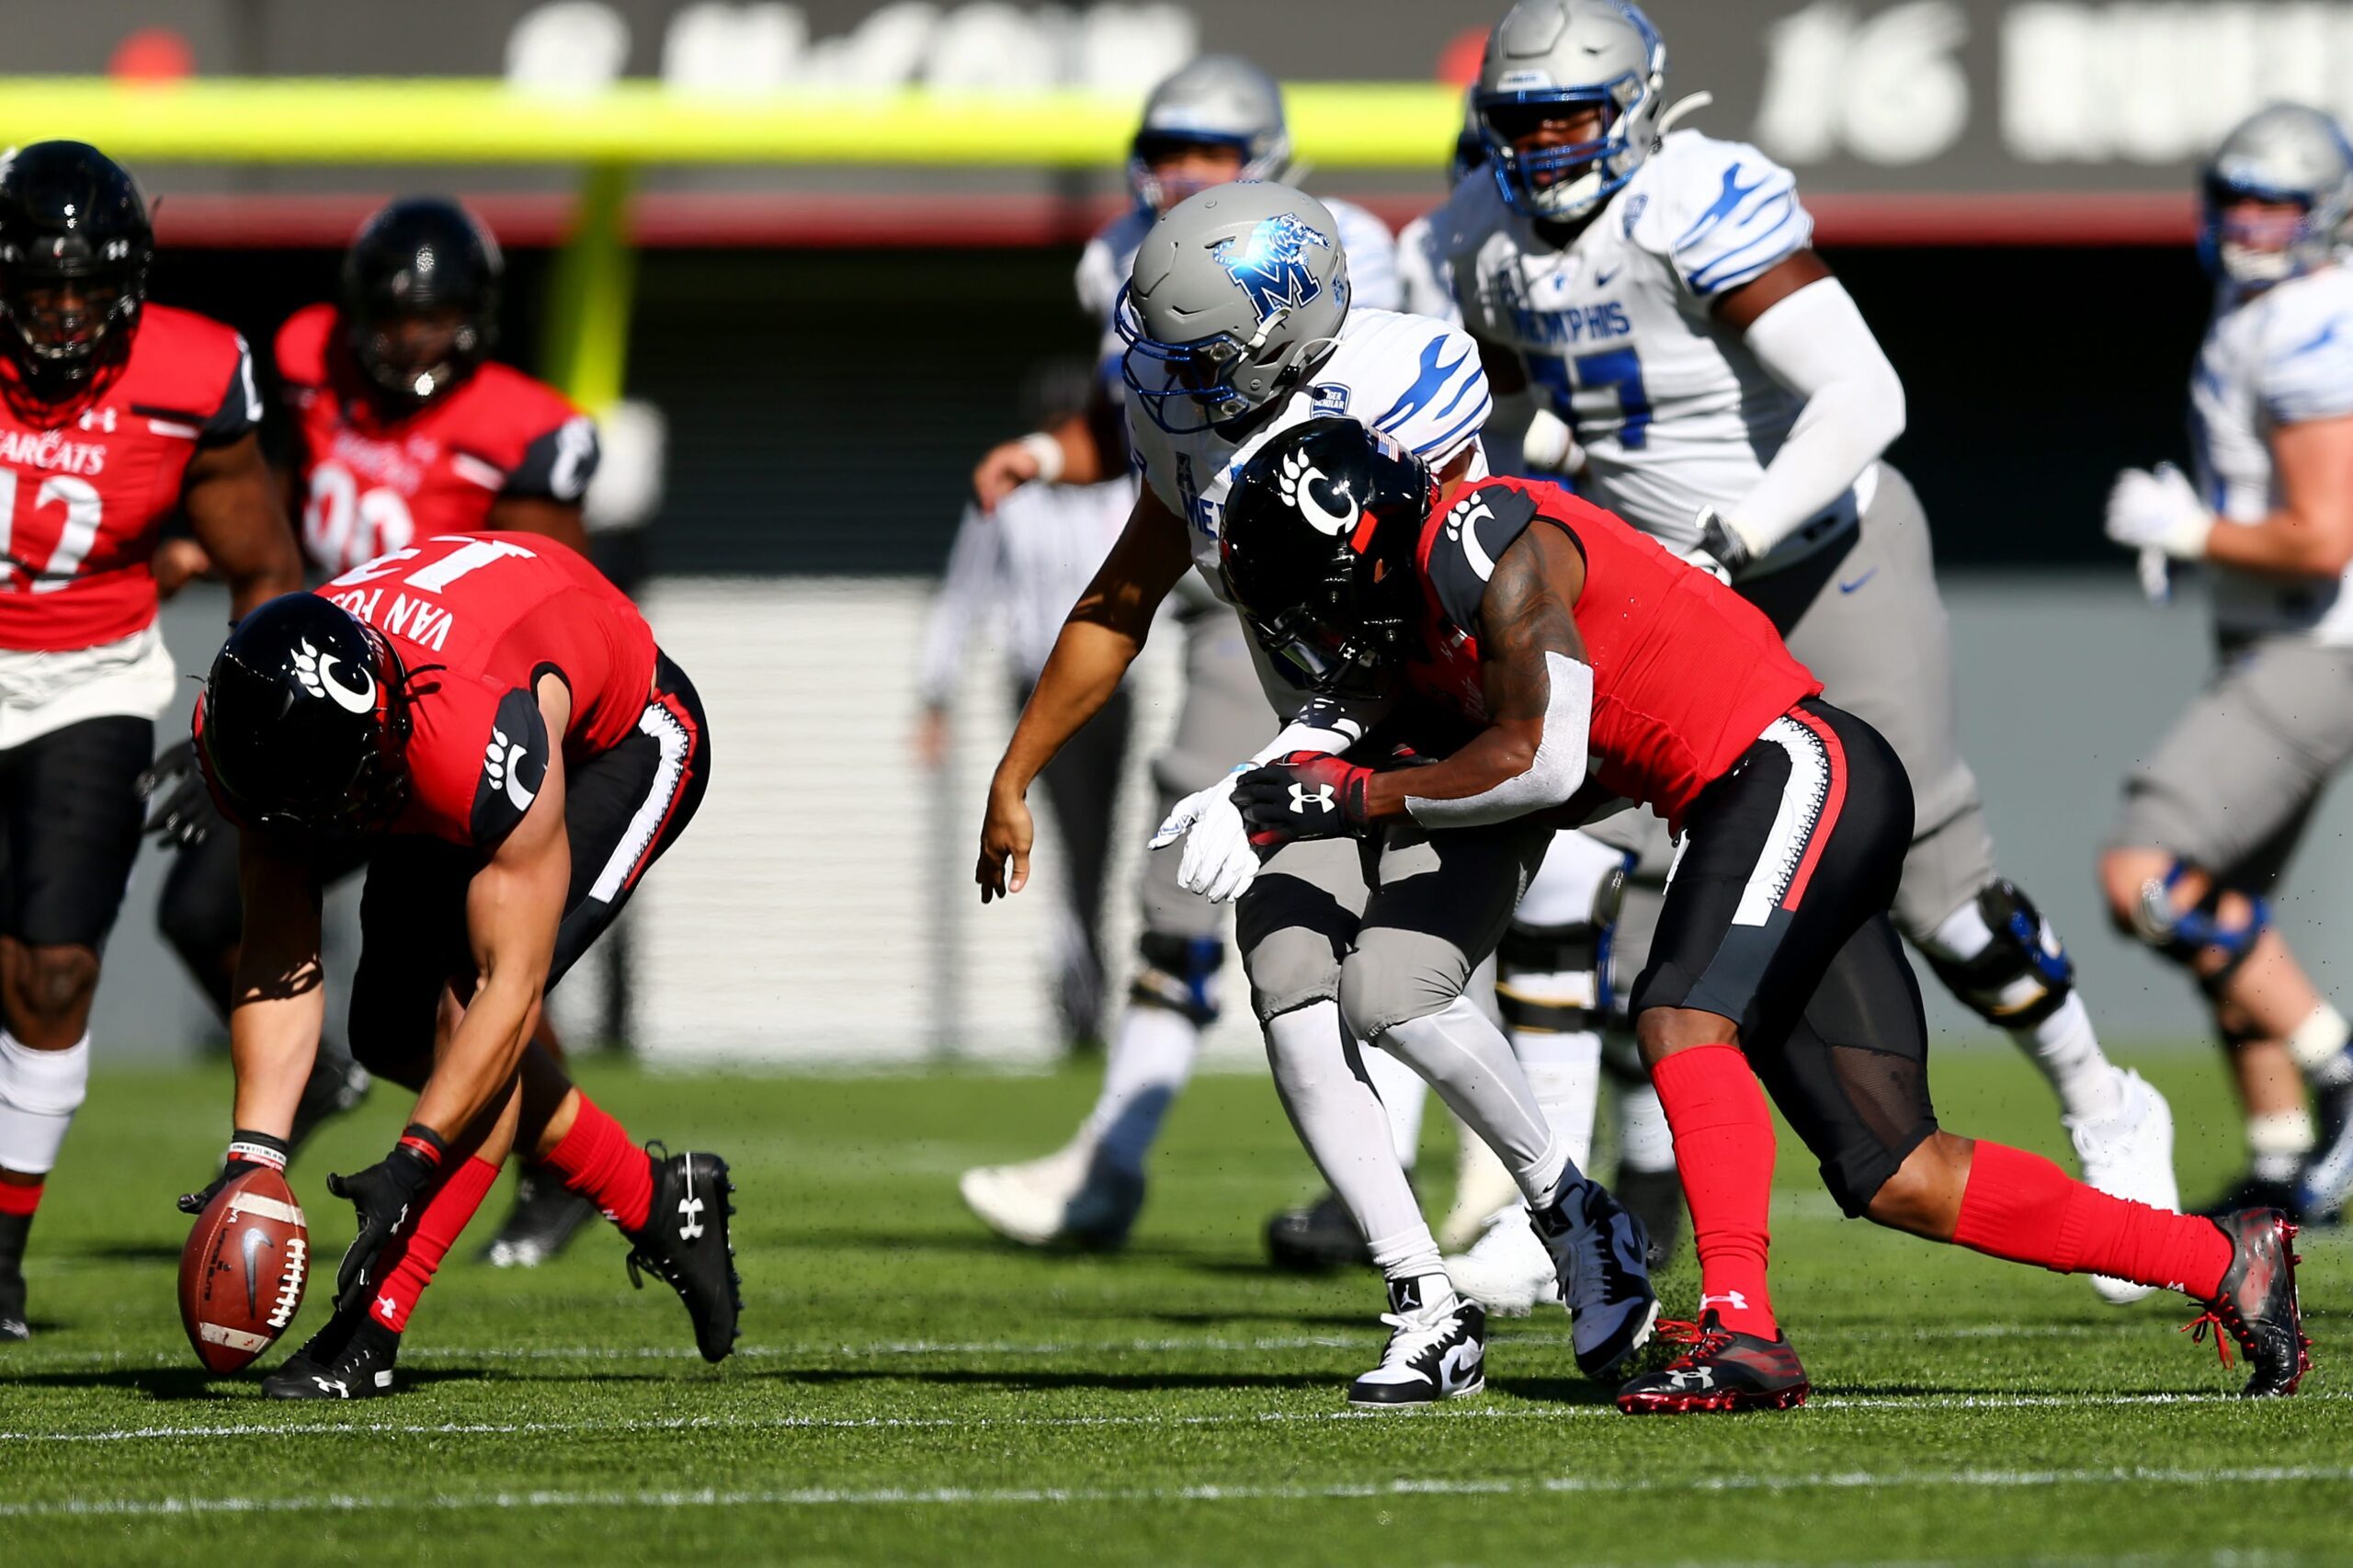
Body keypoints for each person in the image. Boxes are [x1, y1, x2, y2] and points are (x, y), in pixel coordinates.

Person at [1219, 415, 2311, 1412]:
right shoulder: (1429, 599)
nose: (1312, 626)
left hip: (1789, 762)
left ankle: (1740, 1328)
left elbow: (1541, 760)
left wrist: (1355, 792)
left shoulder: (1481, 539)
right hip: (1762, 790)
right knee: (1896, 1170)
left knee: (1679, 1017)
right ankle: (2224, 1260)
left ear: (1358, 545)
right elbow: (1577, 757)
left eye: (1311, 592)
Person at [1437, 0, 2177, 1307]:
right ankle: (1563, 1206)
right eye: (1524, 122)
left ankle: (2099, 1092)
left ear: (1641, 108)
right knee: (1566, 872)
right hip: (1661, 600)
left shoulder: (1696, 200)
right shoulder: (1477, 242)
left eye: (1572, 117)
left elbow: (1865, 396)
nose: (1547, 147)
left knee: (1936, 891)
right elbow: (1497, 408)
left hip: (1820, 554)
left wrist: (1746, 523)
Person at [976, 179, 1657, 1408]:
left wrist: (1291, 774)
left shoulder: (1411, 380)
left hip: (1449, 722)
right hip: (1317, 726)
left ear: (1289, 333)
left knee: (1395, 991)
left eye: (1202, 356)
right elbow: (1125, 590)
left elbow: (1426, 620)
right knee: (1287, 968)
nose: (1169, 383)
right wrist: (1016, 769)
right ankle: (1422, 1297)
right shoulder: (1185, 424)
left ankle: (1577, 1212)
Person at [954, 54, 1429, 1255]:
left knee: (1403, 913)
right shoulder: (1126, 257)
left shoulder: (1345, 258)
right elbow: (1154, 440)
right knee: (1280, 906)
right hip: (1242, 596)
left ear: (1263, 166)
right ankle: (1428, 1202)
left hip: (1363, 603)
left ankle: (1519, 1196)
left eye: (1206, 153)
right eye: (1164, 148)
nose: (1178, 173)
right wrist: (1057, 453)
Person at [141, 197, 608, 1271]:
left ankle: (557, 1165)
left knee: (474, 969)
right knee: (205, 901)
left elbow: (553, 592)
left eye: (434, 318)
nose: (407, 340)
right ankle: (316, 1082)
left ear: (478, 317)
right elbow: (274, 497)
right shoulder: (310, 363)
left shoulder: (526, 427)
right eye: (392, 318)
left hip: (445, 718)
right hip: (326, 710)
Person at [182, 532, 734, 1399]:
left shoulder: (475, 731)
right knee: (388, 1034)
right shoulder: (255, 724)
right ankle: (662, 1200)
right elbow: (279, 955)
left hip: (621, 737)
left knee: (466, 1026)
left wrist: (413, 1161)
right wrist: (254, 1154)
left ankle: (371, 1330)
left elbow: (506, 999)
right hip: (440, 723)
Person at [0, 142, 305, 1343]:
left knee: (55, 969)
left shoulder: (189, 368)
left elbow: (263, 564)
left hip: (89, 677)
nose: (66, 315)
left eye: (89, 289)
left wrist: (238, 722)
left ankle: (3, 1259)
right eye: (40, 288)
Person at [2101, 103, 2353, 1222]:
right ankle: (2281, 1151)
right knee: (2227, 900)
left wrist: (2193, 532)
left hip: (2319, 637)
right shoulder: (2261, 306)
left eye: (2276, 204)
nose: (2250, 224)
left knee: (2144, 871)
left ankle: (2338, 1070)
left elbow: (2321, 532)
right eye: (2236, 197)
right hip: (2281, 633)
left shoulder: (2310, 319)